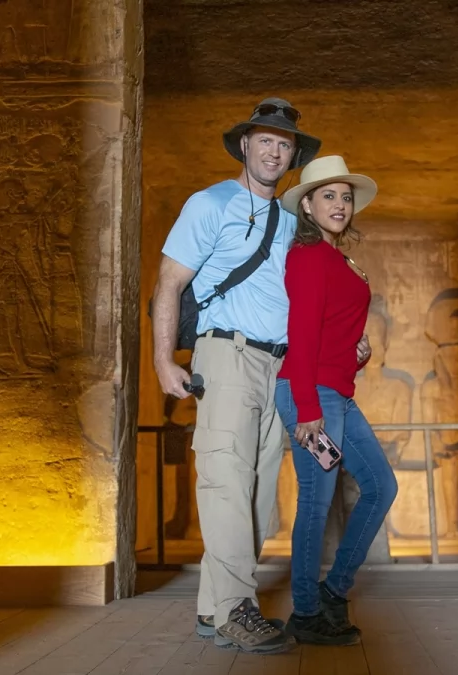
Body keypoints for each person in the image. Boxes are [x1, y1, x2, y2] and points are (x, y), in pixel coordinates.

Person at [151, 98, 321, 654]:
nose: (274, 150)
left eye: (284, 144)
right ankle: (234, 610)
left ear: (293, 155)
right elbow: (170, 284)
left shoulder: (294, 220)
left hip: (279, 364)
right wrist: (162, 360)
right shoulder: (210, 203)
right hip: (226, 356)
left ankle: (210, 608)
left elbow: (302, 296)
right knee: (225, 482)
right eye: (265, 140)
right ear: (245, 146)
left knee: (257, 499)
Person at [274, 155, 399, 645]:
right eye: (328, 195)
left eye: (346, 197)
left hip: (337, 392)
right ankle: (305, 612)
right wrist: (307, 407)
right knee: (317, 502)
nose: (340, 204)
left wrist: (358, 354)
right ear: (306, 204)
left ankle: (333, 589)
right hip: (312, 394)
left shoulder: (338, 259)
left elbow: (331, 333)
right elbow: (301, 334)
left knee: (380, 487)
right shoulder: (307, 257)